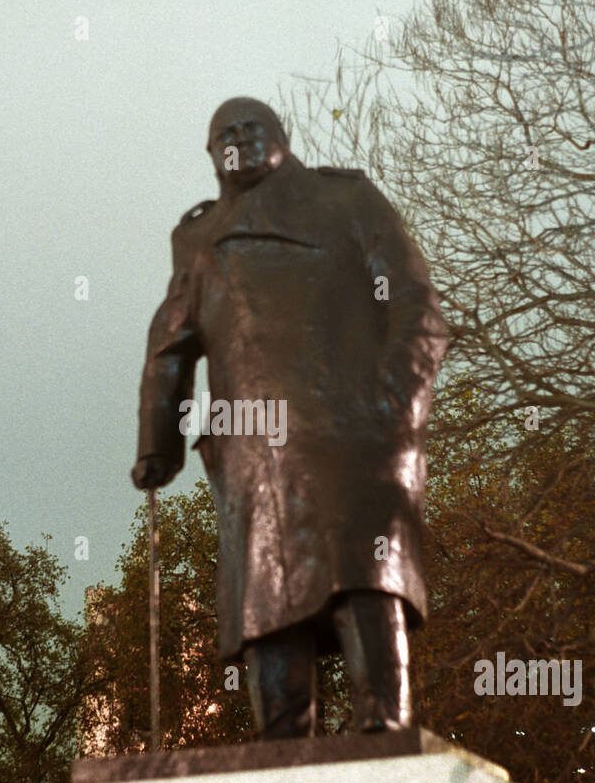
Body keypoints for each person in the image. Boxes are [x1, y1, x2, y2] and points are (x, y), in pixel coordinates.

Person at [132, 96, 448, 739]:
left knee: (364, 580)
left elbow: (417, 306)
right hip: (255, 454)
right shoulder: (197, 237)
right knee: (267, 607)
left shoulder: (347, 201)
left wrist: (397, 407)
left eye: (254, 128)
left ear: (283, 135)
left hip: (357, 434)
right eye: (225, 133)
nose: (240, 140)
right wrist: (156, 444)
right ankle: (281, 759)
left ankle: (385, 732)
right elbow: (169, 345)